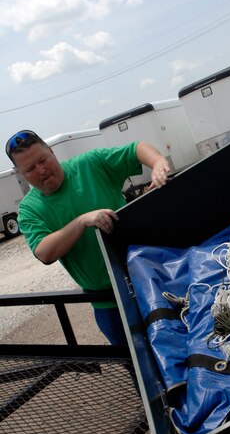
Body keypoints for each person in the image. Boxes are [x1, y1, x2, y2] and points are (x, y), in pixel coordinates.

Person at [5, 129, 170, 344]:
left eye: (43, 160)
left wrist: (157, 162)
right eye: (30, 169)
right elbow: (44, 252)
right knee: (137, 366)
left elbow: (136, 149)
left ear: (52, 151)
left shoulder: (90, 164)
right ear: (19, 174)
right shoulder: (29, 210)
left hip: (149, 279)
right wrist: (81, 221)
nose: (41, 170)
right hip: (108, 303)